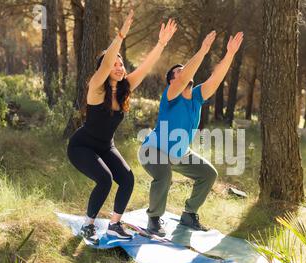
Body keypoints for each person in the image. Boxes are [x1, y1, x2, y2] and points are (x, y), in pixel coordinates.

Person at [67, 10, 177, 245]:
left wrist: (161, 43)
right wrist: (120, 36)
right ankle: (88, 225)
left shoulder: (125, 88)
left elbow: (146, 66)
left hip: (106, 146)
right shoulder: (96, 87)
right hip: (82, 146)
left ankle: (115, 224)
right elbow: (106, 63)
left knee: (127, 179)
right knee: (105, 179)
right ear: (105, 69)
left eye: (121, 64)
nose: (119, 66)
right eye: (114, 64)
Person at [138, 31, 244, 237]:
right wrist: (203, 50)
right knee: (163, 175)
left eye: (186, 70)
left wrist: (230, 54)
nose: (186, 73)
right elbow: (185, 76)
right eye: (180, 72)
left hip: (179, 153)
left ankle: (189, 214)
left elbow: (215, 78)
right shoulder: (170, 96)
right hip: (153, 150)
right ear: (172, 81)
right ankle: (153, 218)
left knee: (208, 173)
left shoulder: (196, 97)